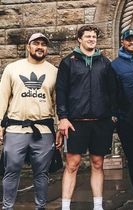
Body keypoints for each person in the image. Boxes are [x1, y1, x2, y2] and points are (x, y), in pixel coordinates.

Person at [56, 25, 117, 210]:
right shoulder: (68, 62)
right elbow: (61, 91)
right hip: (75, 123)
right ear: (79, 40)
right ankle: (65, 206)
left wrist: (112, 116)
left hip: (100, 123)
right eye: (88, 36)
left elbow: (113, 91)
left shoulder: (105, 63)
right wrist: (63, 117)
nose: (92, 39)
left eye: (94, 36)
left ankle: (98, 206)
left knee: (98, 164)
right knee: (72, 165)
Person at [0, 33, 62, 210]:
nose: (40, 47)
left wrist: (58, 128)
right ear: (28, 47)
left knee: (41, 173)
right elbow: (2, 98)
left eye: (43, 44)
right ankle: (7, 207)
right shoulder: (13, 68)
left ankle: (40, 207)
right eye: (36, 43)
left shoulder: (53, 72)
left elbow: (58, 102)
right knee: (11, 171)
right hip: (15, 128)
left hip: (43, 130)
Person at [111, 28, 133, 195]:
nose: (132, 42)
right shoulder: (115, 65)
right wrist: (114, 114)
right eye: (128, 39)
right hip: (127, 119)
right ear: (123, 42)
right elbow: (111, 92)